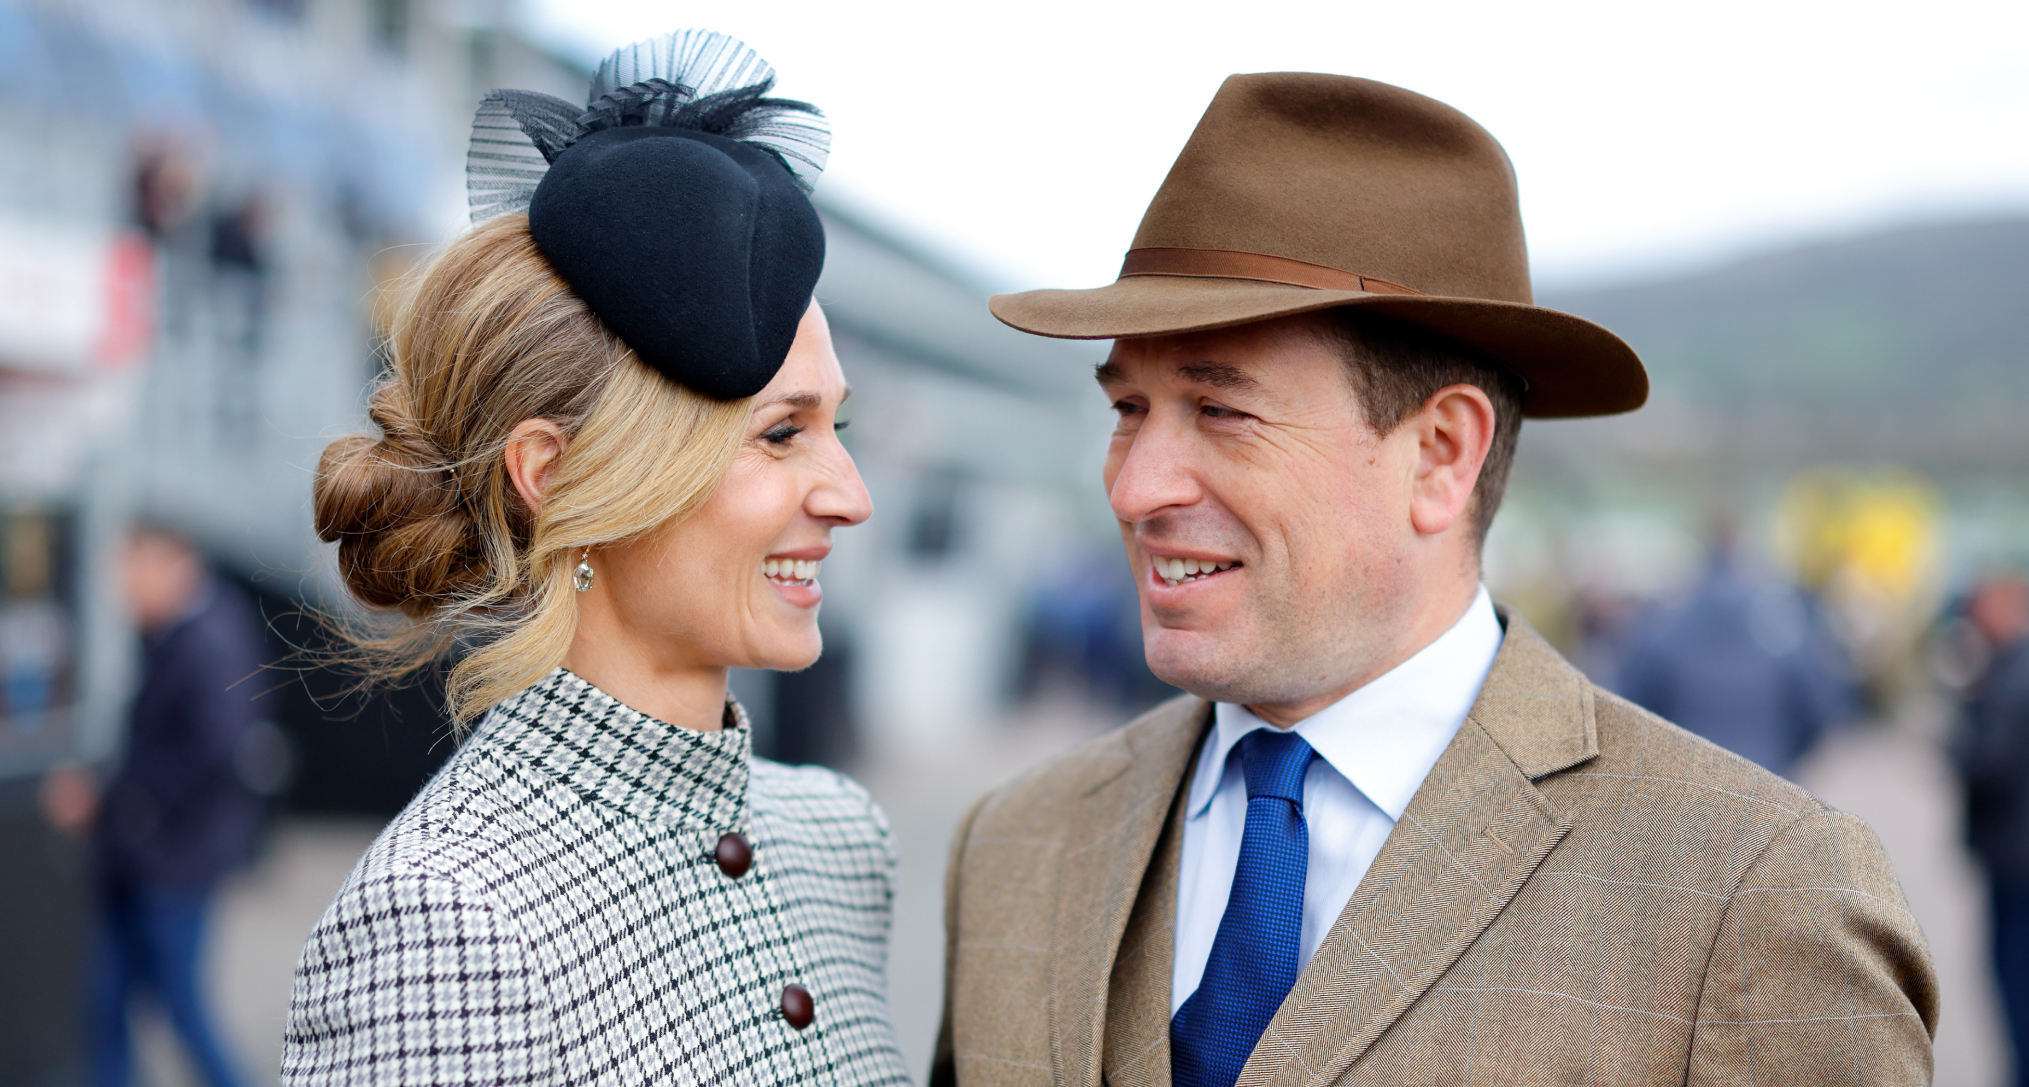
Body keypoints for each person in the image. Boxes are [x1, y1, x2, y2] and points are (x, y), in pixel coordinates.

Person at [932, 74, 1936, 1086]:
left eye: (1220, 411)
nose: (1136, 485)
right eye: (1128, 410)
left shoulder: (1757, 894)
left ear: (1441, 455)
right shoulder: (1016, 843)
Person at [281, 32, 910, 1087]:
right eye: (779, 433)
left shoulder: (844, 841)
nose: (851, 496)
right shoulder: (447, 923)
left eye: (837, 426)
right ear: (554, 474)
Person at [47, 524, 265, 1087]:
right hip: (139, 855)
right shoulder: (183, 629)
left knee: (181, 1008)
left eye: (129, 571)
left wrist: (119, 801)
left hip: (173, 862)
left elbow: (212, 753)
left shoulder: (207, 638)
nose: (121, 588)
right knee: (108, 1006)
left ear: (169, 562)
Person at [1614, 512, 1857, 777]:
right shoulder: (1781, 619)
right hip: (1768, 780)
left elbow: (1628, 706)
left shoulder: (1666, 618)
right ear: (1744, 542)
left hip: (1686, 786)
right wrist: (1784, 759)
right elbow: (1821, 707)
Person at [1953, 573, 2029, 1087]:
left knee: (2014, 976)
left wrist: (1955, 740)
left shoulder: (2012, 675)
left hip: (2016, 858)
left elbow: (1990, 762)